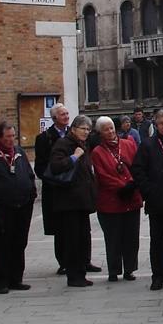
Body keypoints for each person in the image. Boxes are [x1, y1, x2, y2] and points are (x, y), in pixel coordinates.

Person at [0, 122, 36, 294]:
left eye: (13, 136)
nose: (11, 140)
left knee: (19, 243)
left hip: (23, 205)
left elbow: (29, 175)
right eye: (7, 137)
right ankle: (1, 281)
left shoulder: (19, 152)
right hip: (1, 207)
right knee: (2, 244)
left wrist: (31, 193)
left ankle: (16, 278)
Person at [35, 103, 85, 275]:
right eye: (63, 114)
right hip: (57, 188)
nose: (66, 116)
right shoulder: (45, 138)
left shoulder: (76, 134)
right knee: (61, 227)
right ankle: (64, 261)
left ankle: (84, 259)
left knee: (82, 226)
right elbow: (41, 167)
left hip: (77, 187)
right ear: (55, 118)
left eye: (67, 113)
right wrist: (54, 179)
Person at [91, 116, 142, 283]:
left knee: (131, 237)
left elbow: (137, 165)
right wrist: (121, 186)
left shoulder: (128, 144)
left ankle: (129, 269)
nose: (111, 131)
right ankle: (113, 270)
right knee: (113, 238)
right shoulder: (97, 152)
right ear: (100, 133)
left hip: (131, 197)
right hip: (111, 200)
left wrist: (132, 183)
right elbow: (102, 175)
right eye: (106, 129)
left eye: (112, 128)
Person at [49, 114, 98, 288]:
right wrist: (74, 157)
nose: (86, 132)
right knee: (72, 240)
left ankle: (81, 273)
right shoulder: (64, 144)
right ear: (74, 129)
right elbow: (55, 167)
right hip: (69, 202)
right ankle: (74, 275)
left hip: (81, 201)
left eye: (88, 129)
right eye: (83, 129)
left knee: (82, 238)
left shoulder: (82, 144)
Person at [130, 109, 163, 290]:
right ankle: (158, 274)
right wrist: (148, 191)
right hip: (157, 199)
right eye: (161, 123)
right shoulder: (147, 145)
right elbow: (138, 170)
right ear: (155, 125)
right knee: (157, 240)